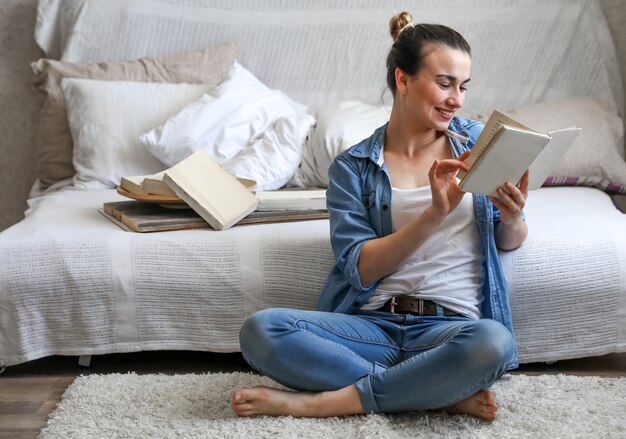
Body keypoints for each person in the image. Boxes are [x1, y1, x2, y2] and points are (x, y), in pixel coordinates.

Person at [231, 11, 528, 422]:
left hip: (451, 329)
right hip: (370, 326)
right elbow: (360, 270)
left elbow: (507, 239)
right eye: (444, 84)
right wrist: (433, 214)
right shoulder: (352, 168)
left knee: (494, 343)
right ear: (403, 80)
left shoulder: (478, 143)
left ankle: (324, 402)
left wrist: (512, 218)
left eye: (462, 86)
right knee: (262, 331)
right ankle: (434, 394)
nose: (456, 99)